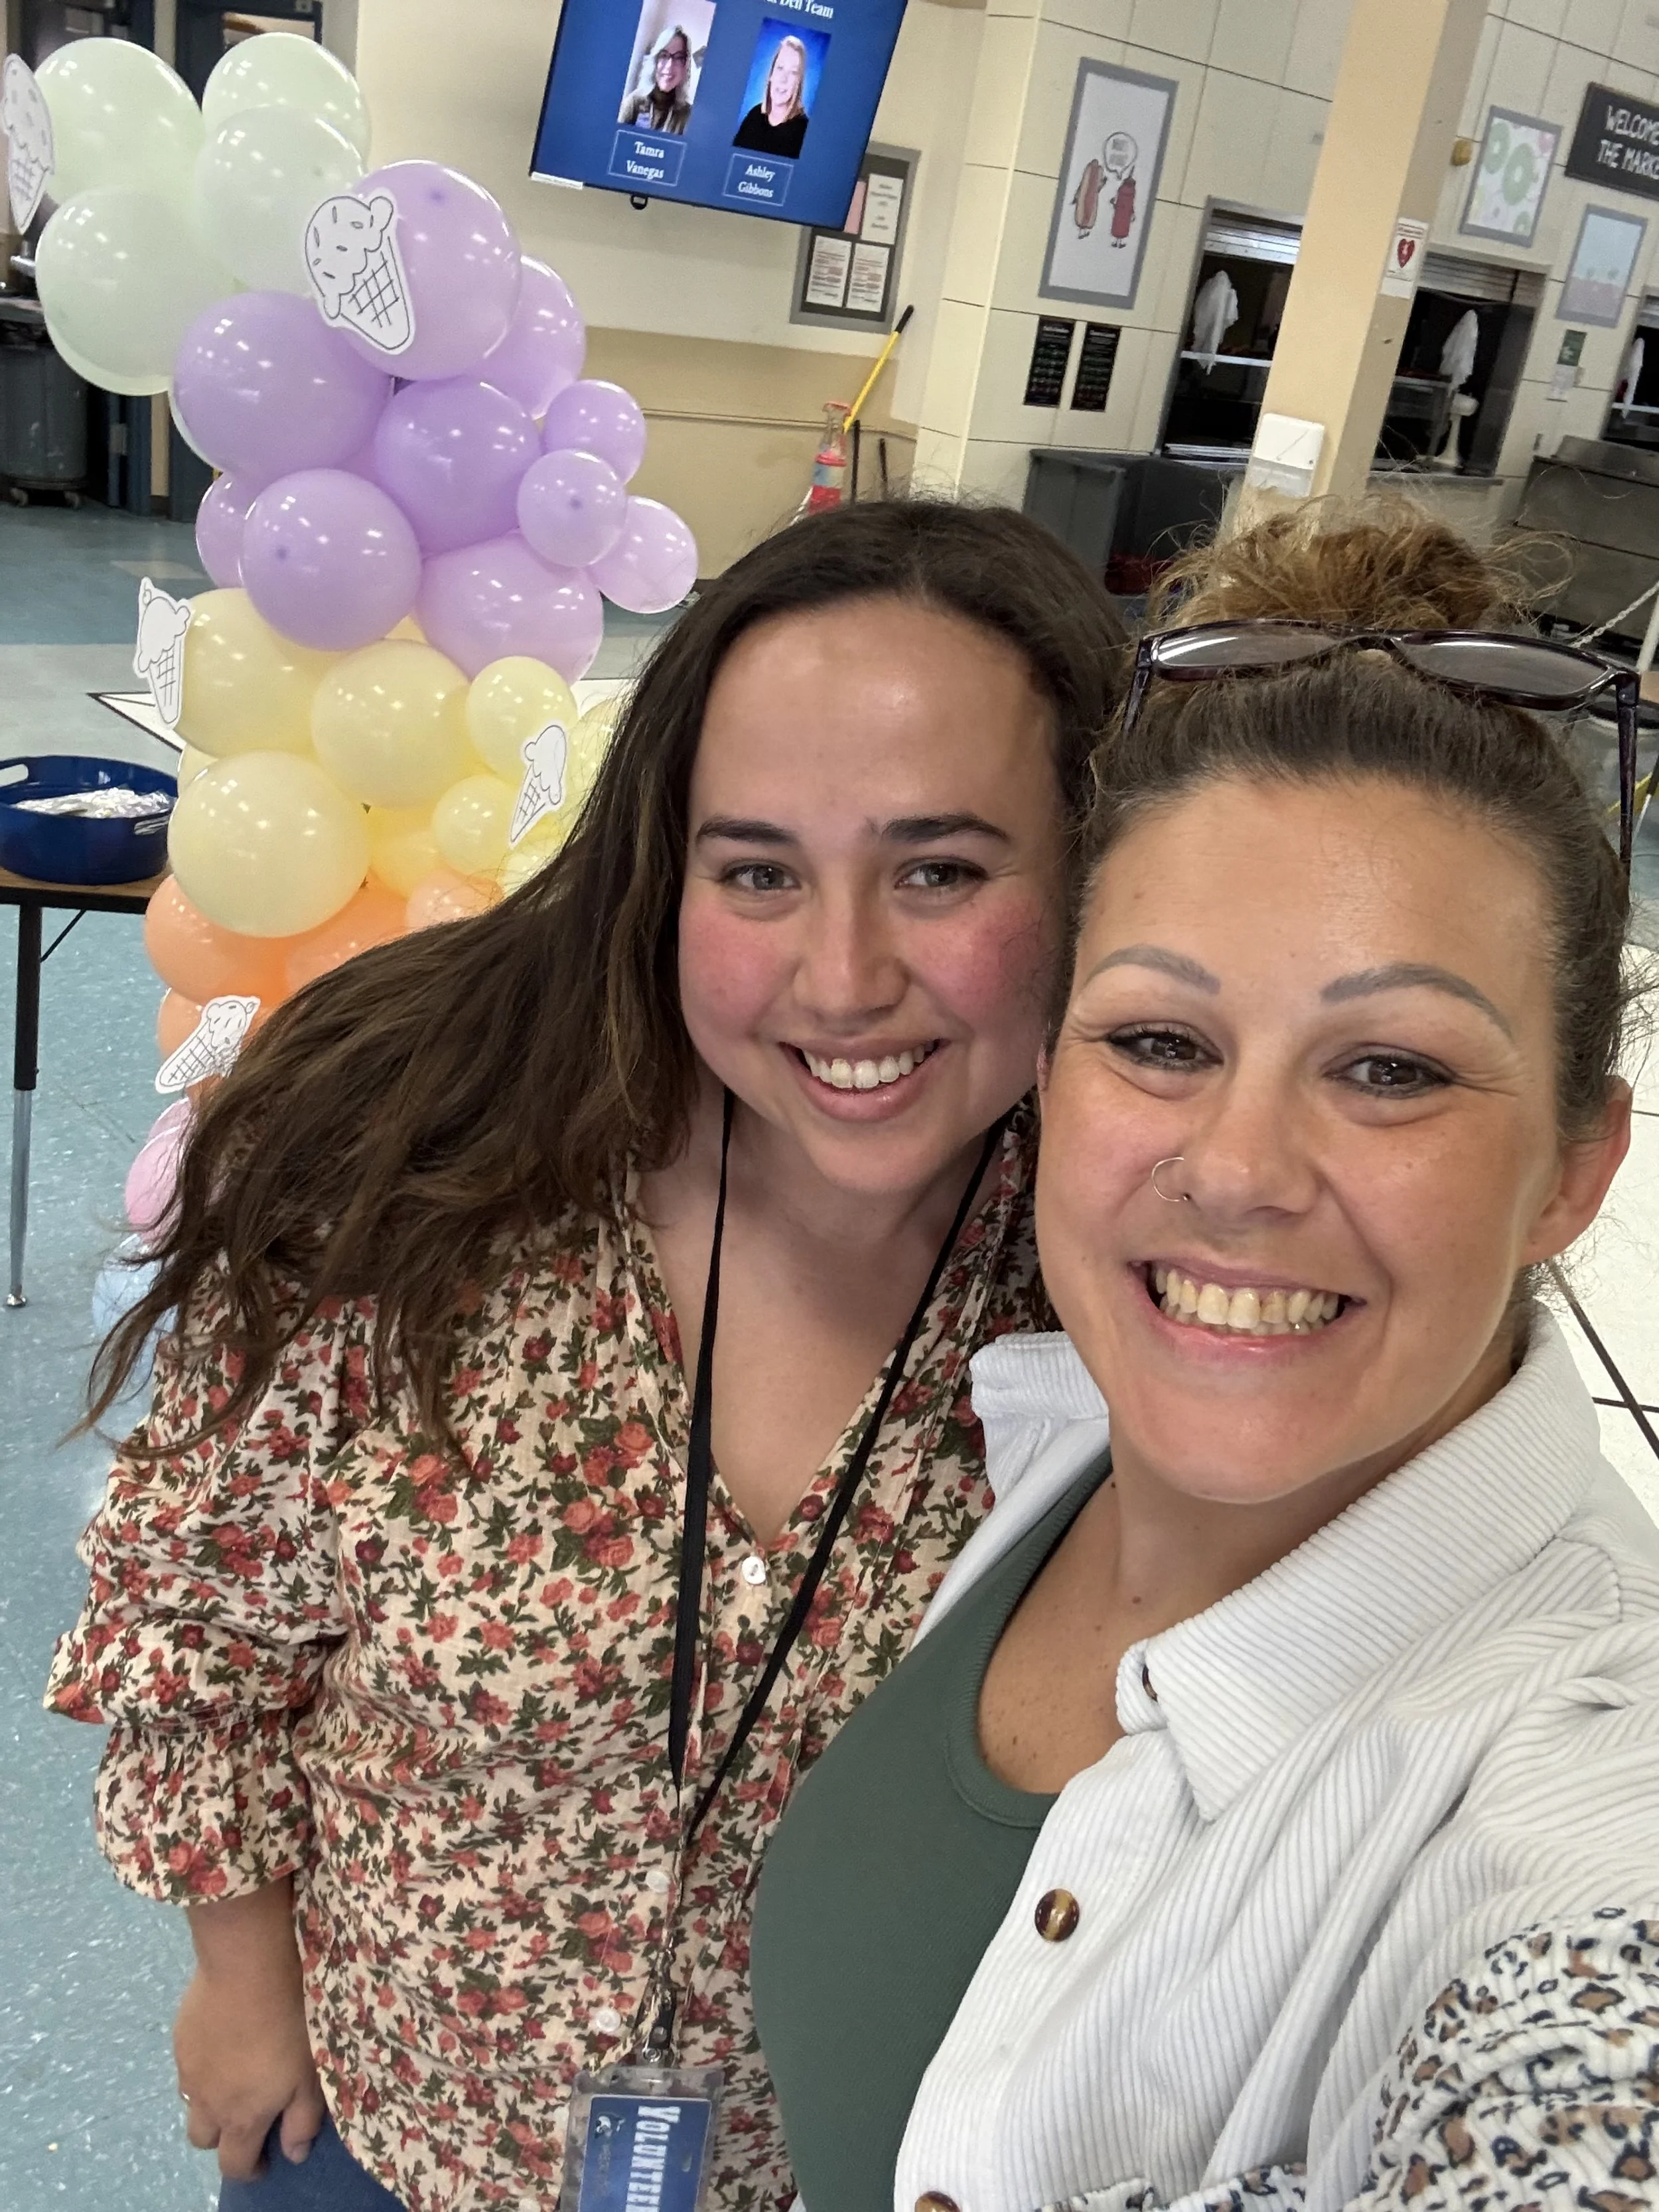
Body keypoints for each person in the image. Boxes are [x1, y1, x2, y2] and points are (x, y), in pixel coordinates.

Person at [46, 498, 1127, 2212]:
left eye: (939, 868)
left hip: (842, 2162)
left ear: (1085, 872)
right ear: (661, 866)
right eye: (756, 868)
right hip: (382, 2123)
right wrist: (241, 1977)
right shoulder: (414, 1176)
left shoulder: (1127, 1274)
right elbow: (197, 1613)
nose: (841, 976)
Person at [752, 500, 1659, 2212]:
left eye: (1390, 1068)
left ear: (1574, 1169)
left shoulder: (1581, 1782)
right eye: (1161, 1041)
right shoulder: (1055, 1433)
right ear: (1052, 1075)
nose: (1237, 1172)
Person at [733, 36, 811, 160]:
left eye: (793, 73)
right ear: (771, 75)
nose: (783, 79)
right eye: (780, 68)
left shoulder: (805, 131)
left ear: (799, 83)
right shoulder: (754, 116)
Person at [620, 26, 694, 136]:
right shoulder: (633, 103)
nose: (669, 66)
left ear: (685, 66)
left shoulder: (688, 115)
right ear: (655, 61)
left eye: (678, 57)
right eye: (664, 56)